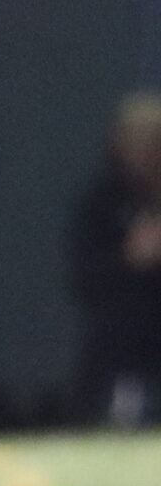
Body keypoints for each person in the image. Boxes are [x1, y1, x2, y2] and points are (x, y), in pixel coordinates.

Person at [67, 91, 161, 428]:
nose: (146, 151)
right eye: (137, 141)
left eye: (153, 140)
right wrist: (130, 257)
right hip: (123, 337)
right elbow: (85, 278)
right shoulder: (102, 203)